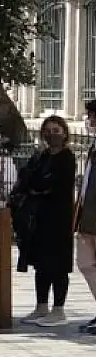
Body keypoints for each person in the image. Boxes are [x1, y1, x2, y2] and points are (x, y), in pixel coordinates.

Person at [13, 115, 76, 327]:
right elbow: (29, 180)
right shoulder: (41, 156)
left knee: (57, 265)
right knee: (41, 264)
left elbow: (51, 185)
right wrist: (37, 186)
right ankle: (41, 306)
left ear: (65, 132)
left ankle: (58, 310)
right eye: (47, 130)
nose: (51, 135)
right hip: (38, 218)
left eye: (56, 130)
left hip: (59, 218)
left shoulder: (67, 158)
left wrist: (39, 186)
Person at [76, 100, 96, 334]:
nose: (89, 120)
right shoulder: (93, 146)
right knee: (85, 264)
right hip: (86, 218)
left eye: (91, 115)